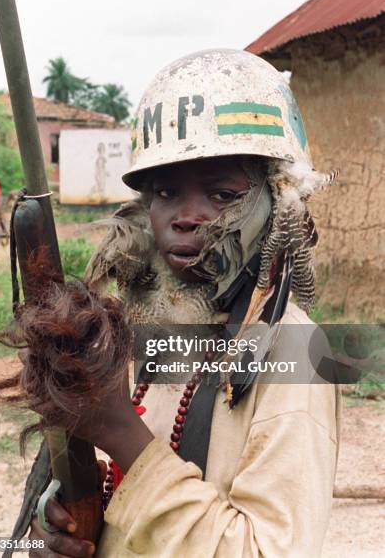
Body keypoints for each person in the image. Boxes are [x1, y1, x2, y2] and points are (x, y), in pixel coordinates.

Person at [28, 49, 341, 557]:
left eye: (220, 195)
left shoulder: (297, 352)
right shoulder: (149, 327)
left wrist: (122, 434)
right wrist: (70, 519)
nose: (186, 216)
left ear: (276, 201)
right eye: (167, 191)